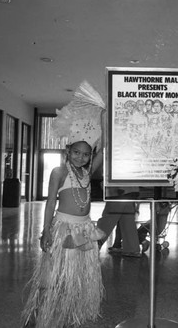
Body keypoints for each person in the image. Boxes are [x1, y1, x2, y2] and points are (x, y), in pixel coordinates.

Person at [22, 140, 105, 328]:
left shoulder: (86, 173)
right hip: (63, 229)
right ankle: (39, 315)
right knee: (53, 275)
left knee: (76, 276)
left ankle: (69, 314)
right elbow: (51, 202)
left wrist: (104, 120)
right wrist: (46, 231)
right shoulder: (59, 172)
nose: (80, 157)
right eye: (76, 152)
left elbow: (103, 151)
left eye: (86, 154)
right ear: (68, 151)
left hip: (84, 229)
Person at [97, 187, 142, 258]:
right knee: (127, 219)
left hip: (118, 188)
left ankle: (94, 245)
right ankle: (132, 248)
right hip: (131, 188)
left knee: (109, 218)